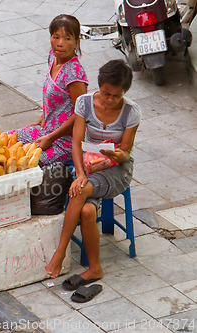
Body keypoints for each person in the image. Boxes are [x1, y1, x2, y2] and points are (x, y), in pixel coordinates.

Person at [44, 59, 141, 289]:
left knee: (79, 192)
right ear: (99, 86)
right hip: (88, 165)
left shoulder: (131, 112)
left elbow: (126, 152)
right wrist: (79, 173)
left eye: (115, 96)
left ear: (124, 94)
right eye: (106, 93)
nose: (109, 100)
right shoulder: (84, 103)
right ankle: (95, 268)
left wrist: (118, 155)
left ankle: (60, 251)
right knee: (86, 210)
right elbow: (76, 143)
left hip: (116, 170)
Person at [8, 14, 88, 165]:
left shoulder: (74, 74)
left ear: (77, 41)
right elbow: (54, 97)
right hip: (46, 129)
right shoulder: (52, 57)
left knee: (23, 164)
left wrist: (51, 138)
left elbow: (80, 113)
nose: (60, 43)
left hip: (64, 142)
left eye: (67, 39)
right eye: (56, 37)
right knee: (3, 140)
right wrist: (44, 115)